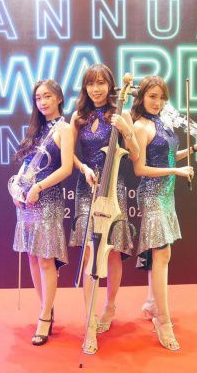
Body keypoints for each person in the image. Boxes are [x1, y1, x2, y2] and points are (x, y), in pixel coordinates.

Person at [131, 76, 197, 351]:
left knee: (160, 254)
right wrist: (175, 172)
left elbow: (169, 156)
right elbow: (140, 169)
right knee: (162, 253)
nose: (157, 102)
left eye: (161, 97)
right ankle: (163, 320)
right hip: (151, 194)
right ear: (142, 97)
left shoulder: (162, 123)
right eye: (152, 96)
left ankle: (151, 303)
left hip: (166, 195)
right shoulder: (140, 126)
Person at [69, 63, 139, 354]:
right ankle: (89, 322)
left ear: (110, 86)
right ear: (85, 87)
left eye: (100, 83)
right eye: (90, 83)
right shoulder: (78, 117)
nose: (95, 89)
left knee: (112, 253)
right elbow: (70, 154)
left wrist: (127, 132)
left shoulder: (121, 114)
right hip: (88, 188)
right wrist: (83, 167)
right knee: (89, 253)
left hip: (114, 189)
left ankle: (110, 305)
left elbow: (136, 156)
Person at [13, 79, 74, 346]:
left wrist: (38, 187)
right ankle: (45, 307)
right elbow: (27, 164)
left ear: (58, 98)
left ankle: (45, 317)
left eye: (47, 96)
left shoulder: (65, 129)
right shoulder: (35, 129)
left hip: (48, 199)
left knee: (47, 259)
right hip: (27, 202)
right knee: (33, 257)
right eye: (38, 98)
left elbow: (66, 168)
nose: (42, 102)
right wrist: (17, 188)